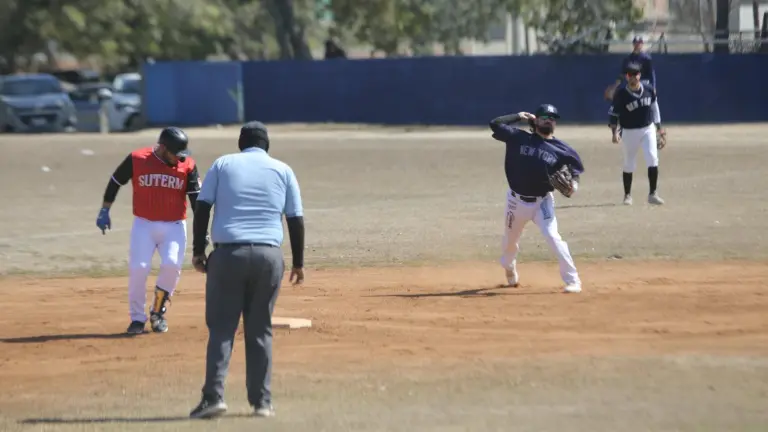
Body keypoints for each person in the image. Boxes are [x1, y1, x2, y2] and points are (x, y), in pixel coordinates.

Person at [189, 121, 305, 420]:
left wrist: (199, 251)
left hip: (228, 255)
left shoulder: (223, 164)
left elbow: (202, 207)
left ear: (241, 143)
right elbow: (295, 219)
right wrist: (298, 263)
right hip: (269, 257)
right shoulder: (283, 170)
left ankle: (213, 397)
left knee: (222, 329)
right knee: (260, 329)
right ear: (267, 144)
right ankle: (262, 402)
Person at [95, 127, 200, 334]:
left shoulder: (187, 165)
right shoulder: (137, 159)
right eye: (175, 154)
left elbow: (196, 199)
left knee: (171, 265)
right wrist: (105, 209)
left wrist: (202, 228)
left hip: (174, 226)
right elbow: (116, 181)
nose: (179, 159)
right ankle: (137, 318)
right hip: (144, 224)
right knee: (139, 268)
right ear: (163, 148)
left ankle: (158, 312)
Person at [488, 104, 585, 294]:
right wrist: (518, 116)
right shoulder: (518, 138)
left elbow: (575, 171)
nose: (549, 120)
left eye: (552, 118)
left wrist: (574, 185)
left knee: (553, 237)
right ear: (536, 120)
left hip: (542, 202)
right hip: (516, 202)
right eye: (544, 117)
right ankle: (509, 267)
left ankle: (573, 280)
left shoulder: (562, 149)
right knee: (509, 244)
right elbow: (495, 124)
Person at [609, 62, 666, 206]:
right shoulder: (621, 94)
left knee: (652, 158)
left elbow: (655, 108)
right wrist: (614, 133)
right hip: (629, 131)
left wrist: (659, 128)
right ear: (626, 77)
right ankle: (627, 195)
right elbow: (614, 115)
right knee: (629, 163)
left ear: (640, 75)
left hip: (648, 128)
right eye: (630, 74)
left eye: (635, 74)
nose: (633, 77)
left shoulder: (648, 89)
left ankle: (653, 194)